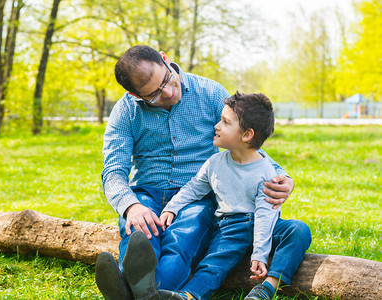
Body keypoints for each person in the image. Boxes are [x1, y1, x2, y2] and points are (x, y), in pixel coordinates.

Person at [96, 45, 308, 300]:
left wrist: (281, 175)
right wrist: (130, 206)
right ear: (135, 95)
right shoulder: (125, 111)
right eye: (154, 94)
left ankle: (131, 292)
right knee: (139, 233)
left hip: (197, 193)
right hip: (146, 192)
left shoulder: (211, 93)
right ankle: (143, 292)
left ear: (165, 59)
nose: (169, 92)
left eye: (166, 80)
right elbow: (113, 170)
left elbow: (246, 139)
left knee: (182, 239)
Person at [158, 92, 311, 300]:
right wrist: (171, 207)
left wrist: (260, 254)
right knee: (213, 264)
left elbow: (265, 217)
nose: (216, 126)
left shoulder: (266, 171)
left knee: (299, 230)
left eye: (225, 122)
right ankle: (189, 295)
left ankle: (267, 287)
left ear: (246, 135)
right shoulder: (214, 163)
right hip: (230, 227)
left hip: (264, 224)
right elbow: (193, 188)